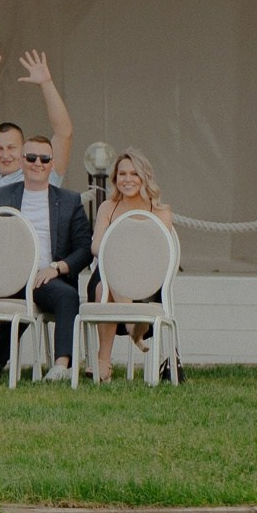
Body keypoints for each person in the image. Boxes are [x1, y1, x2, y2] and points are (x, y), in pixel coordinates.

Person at [0, 131, 93, 381]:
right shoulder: (3, 196)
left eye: (44, 159)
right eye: (31, 157)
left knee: (67, 296)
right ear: (22, 161)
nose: (38, 163)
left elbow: (84, 249)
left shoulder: (70, 200)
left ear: (52, 164)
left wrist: (57, 268)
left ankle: (60, 366)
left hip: (46, 278)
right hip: (7, 276)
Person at [88, 149, 172, 381]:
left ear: (145, 177)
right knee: (103, 285)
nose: (127, 179)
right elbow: (95, 247)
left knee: (102, 290)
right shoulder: (108, 207)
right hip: (108, 271)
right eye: (122, 174)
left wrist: (126, 256)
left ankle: (102, 362)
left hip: (147, 281)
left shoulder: (161, 211)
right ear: (115, 179)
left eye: (134, 174)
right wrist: (117, 254)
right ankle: (132, 325)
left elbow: (160, 252)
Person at [0, 50, 73, 204]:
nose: (5, 155)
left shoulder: (40, 172)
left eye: (11, 147)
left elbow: (63, 133)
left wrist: (46, 84)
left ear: (24, 150)